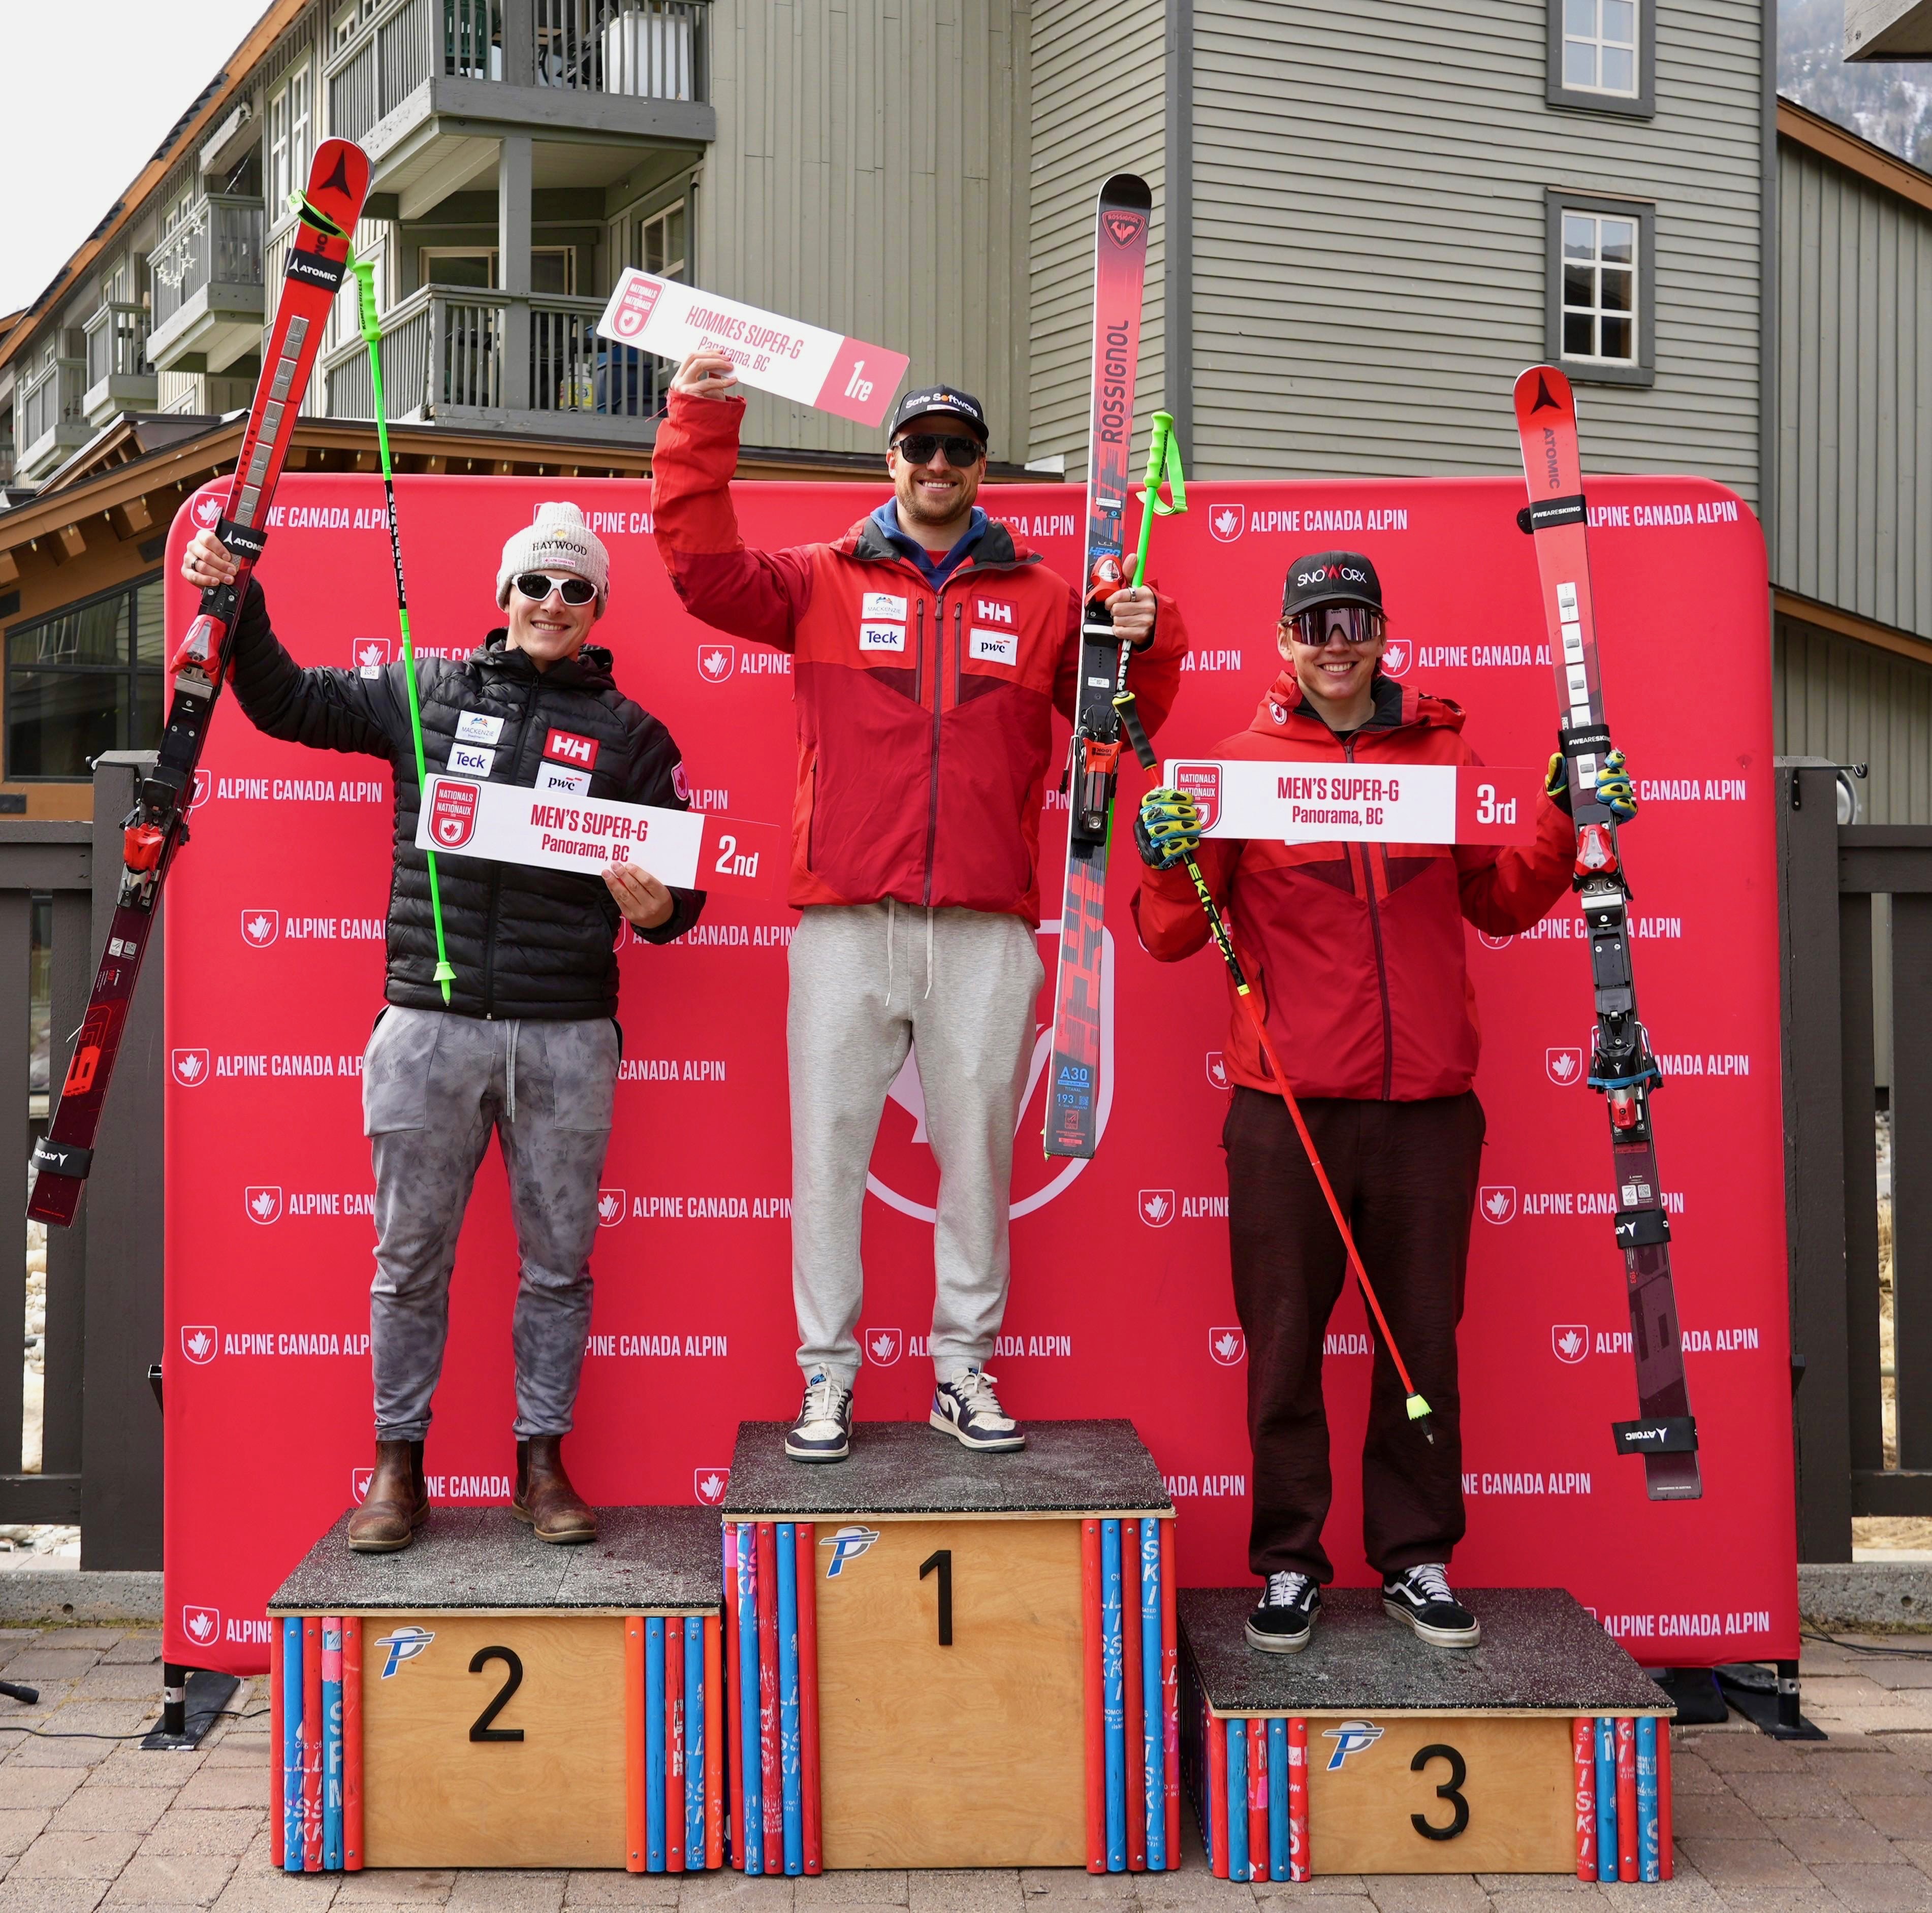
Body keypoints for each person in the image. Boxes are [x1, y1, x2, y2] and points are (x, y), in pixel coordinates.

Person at [651, 356, 1187, 1461]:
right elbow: (702, 575)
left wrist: (1149, 628)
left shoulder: (1046, 598)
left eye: (957, 448)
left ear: (981, 468)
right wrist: (701, 420)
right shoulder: (819, 577)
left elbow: (1129, 715)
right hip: (850, 917)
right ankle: (826, 1378)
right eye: (919, 446)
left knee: (979, 1155)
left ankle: (961, 1368)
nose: (937, 464)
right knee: (828, 1153)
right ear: (891, 459)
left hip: (989, 923)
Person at [1131, 550, 1637, 1651]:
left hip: (1427, 1108)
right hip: (1289, 1107)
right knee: (1283, 1341)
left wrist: (1561, 818)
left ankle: (1414, 1556)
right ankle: (1289, 1564)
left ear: (1382, 630)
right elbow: (1171, 932)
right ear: (1282, 641)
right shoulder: (1237, 766)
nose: (1335, 639)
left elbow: (1498, 904)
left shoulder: (1444, 754)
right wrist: (1168, 857)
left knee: (1422, 1343)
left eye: (1353, 617)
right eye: (1313, 621)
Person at [180, 502, 703, 1552]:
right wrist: (240, 597)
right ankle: (395, 1466)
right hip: (428, 1023)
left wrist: (660, 911)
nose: (551, 603)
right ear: (502, 595)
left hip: (567, 1032)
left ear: (599, 607)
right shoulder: (425, 690)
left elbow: (680, 896)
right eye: (534, 584)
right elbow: (286, 704)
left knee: (560, 1263)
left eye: (575, 588)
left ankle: (542, 1460)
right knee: (408, 1257)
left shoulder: (637, 736)